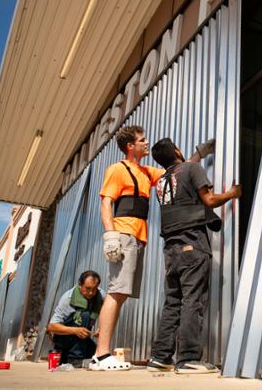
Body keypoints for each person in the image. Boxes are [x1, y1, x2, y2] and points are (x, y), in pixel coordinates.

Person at [90, 125, 213, 371]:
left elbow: (180, 170)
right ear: (130, 146)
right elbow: (106, 203)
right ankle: (101, 355)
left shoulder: (146, 171)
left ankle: (112, 354)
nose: (146, 143)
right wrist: (110, 235)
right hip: (123, 234)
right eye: (142, 140)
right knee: (116, 291)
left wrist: (199, 154)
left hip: (139, 238)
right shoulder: (117, 169)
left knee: (123, 292)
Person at [146, 138, 241, 374]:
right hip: (192, 243)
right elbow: (209, 200)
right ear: (177, 150)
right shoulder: (191, 169)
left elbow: (182, 180)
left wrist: (198, 153)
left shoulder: (161, 181)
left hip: (170, 248)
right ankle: (188, 358)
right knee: (192, 300)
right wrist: (232, 193)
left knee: (173, 303)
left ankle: (160, 357)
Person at [47, 270, 105, 367]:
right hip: (64, 339)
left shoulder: (101, 295)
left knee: (98, 357)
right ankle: (75, 358)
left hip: (82, 339)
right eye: (87, 288)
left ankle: (67, 358)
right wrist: (75, 330)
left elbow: (110, 311)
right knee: (85, 314)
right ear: (80, 285)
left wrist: (102, 327)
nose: (91, 293)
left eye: (94, 289)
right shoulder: (68, 299)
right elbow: (51, 327)